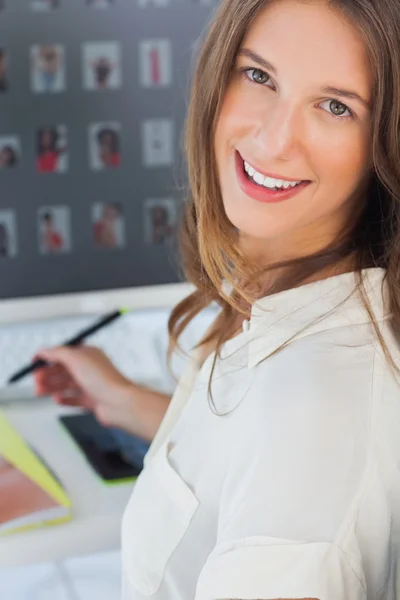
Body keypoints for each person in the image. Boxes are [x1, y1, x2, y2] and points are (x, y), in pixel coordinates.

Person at [34, 0, 400, 597]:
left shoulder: (313, 416)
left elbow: (297, 470)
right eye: (259, 75)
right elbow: (245, 462)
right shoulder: (302, 300)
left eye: (336, 106)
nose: (274, 139)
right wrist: (128, 403)